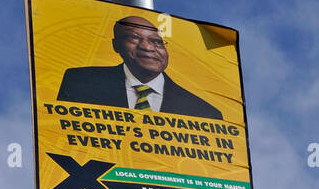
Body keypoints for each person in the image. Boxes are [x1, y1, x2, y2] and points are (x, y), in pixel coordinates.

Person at [57, 14, 223, 120]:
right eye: (134, 38)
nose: (147, 47)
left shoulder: (204, 112)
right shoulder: (81, 82)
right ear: (116, 45)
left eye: (157, 42)